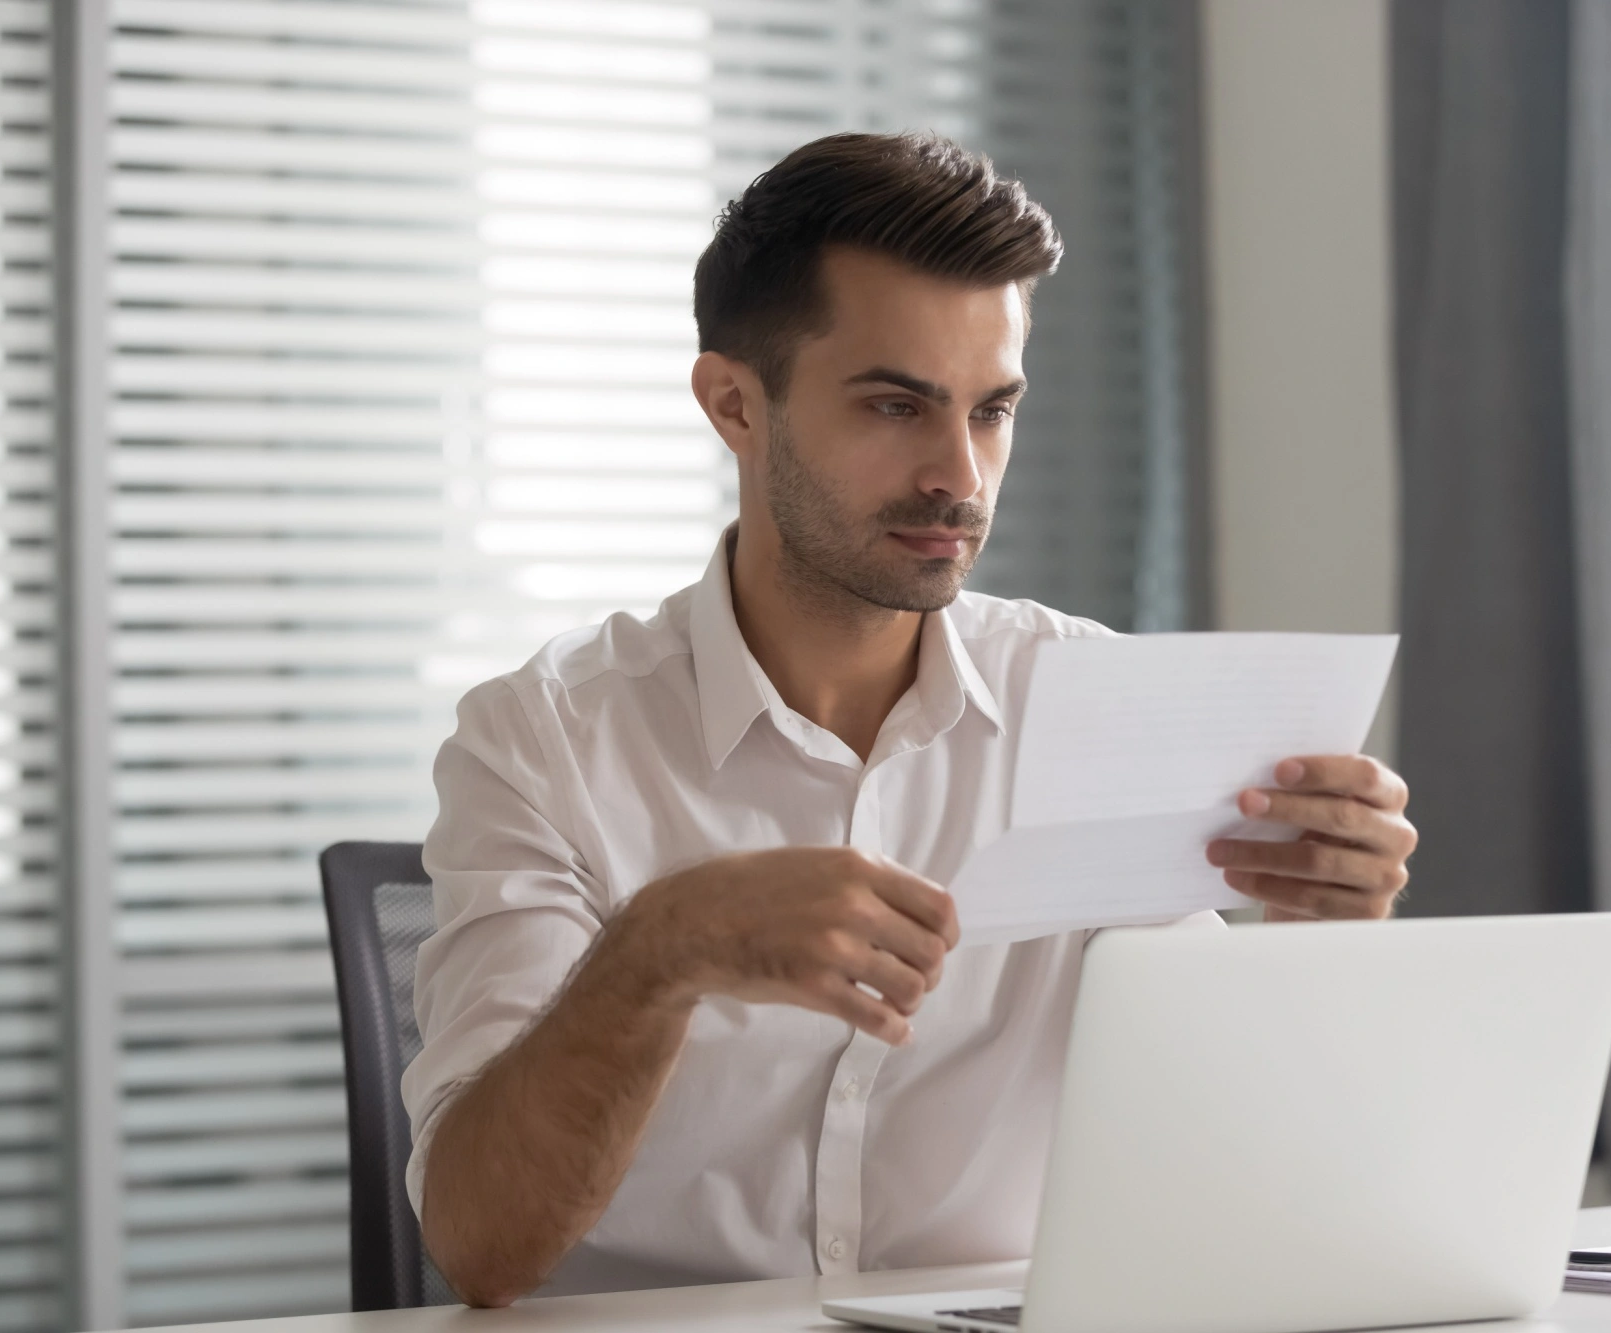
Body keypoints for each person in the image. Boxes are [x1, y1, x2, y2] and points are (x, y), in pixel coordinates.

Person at [404, 132, 1417, 1308]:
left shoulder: (1093, 708)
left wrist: (1330, 932)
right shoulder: (541, 742)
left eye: (991, 411)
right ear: (734, 404)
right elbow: (480, 1246)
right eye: (896, 405)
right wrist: (660, 949)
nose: (961, 476)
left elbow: (1231, 1165)